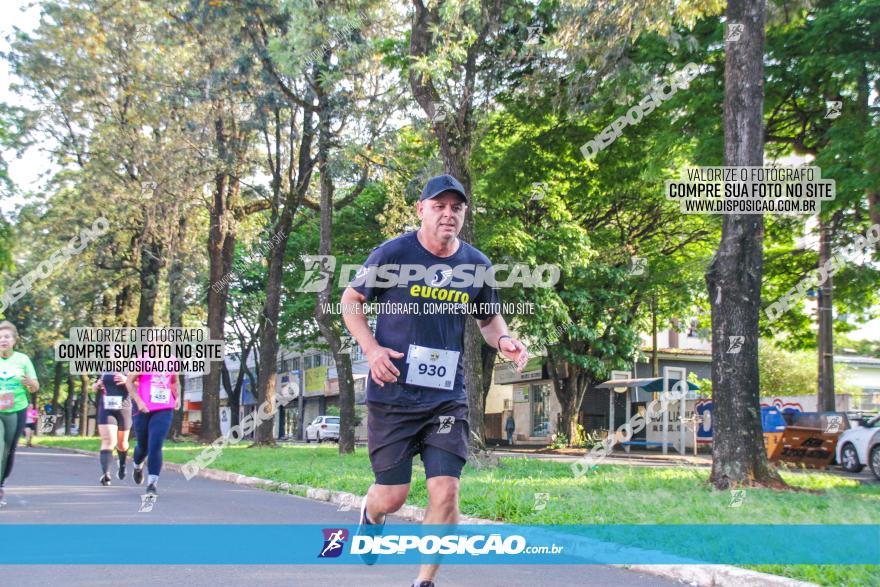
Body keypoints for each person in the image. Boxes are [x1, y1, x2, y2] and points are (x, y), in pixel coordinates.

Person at [341, 174, 528, 587]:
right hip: (394, 394)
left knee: (445, 491)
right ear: (421, 209)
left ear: (464, 213)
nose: (448, 214)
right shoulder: (393, 254)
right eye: (439, 206)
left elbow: (488, 319)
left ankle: (424, 582)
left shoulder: (476, 265)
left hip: (446, 396)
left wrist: (506, 340)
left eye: (456, 207)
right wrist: (371, 351)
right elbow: (350, 301)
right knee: (394, 496)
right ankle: (371, 514)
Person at [0, 321, 39, 506]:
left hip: (17, 408)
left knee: (8, 450)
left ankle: (1, 482)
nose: (2, 340)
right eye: (0, 337)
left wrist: (30, 383)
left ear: (14, 340)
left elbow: (35, 387)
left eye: (7, 337)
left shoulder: (23, 360)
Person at [125, 367, 179, 495]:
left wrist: (177, 397)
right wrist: (138, 402)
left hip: (164, 408)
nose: (158, 345)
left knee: (155, 445)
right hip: (143, 408)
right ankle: (137, 466)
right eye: (154, 344)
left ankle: (152, 484)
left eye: (162, 344)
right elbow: (129, 382)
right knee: (143, 446)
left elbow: (175, 381)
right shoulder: (142, 360)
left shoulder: (172, 360)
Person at [93, 372, 132, 486]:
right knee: (108, 440)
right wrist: (97, 385)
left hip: (124, 408)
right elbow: (94, 386)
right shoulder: (104, 369)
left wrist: (126, 380)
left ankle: (122, 464)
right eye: (111, 353)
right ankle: (106, 474)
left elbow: (140, 385)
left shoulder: (131, 368)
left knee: (122, 444)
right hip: (106, 408)